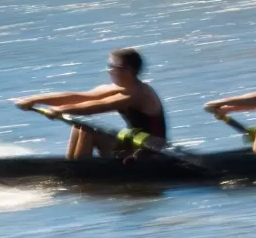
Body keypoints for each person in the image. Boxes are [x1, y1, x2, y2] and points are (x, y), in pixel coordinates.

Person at [14, 48, 167, 159]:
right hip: (133, 143)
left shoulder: (140, 93)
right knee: (79, 126)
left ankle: (80, 172)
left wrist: (60, 110)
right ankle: (72, 164)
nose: (108, 70)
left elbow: (99, 106)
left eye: (111, 66)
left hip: (151, 152)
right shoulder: (118, 88)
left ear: (126, 70)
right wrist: (34, 99)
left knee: (88, 130)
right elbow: (80, 97)